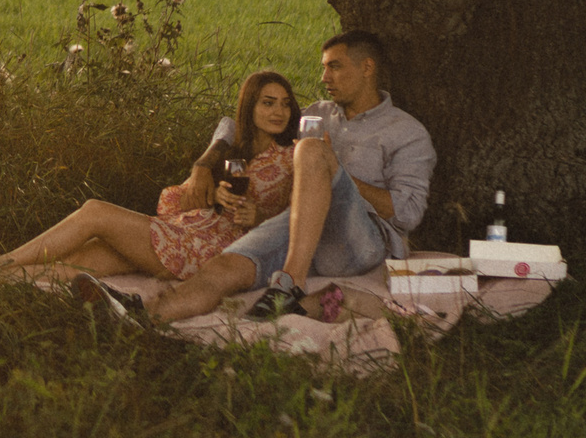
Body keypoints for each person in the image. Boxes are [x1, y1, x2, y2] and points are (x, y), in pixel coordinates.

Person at [150, 29, 436, 325]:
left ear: (366, 68)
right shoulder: (317, 113)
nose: (324, 77)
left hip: (360, 241)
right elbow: (237, 124)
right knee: (223, 268)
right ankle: (145, 316)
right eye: (324, 68)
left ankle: (289, 283)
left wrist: (332, 168)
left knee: (310, 150)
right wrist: (202, 166)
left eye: (334, 67)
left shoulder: (407, 133)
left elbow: (408, 214)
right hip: (300, 228)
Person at [0, 70, 303, 291]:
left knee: (95, 211)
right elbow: (175, 199)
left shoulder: (293, 156)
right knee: (79, 263)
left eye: (285, 104)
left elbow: (304, 217)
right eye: (268, 103)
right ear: (250, 106)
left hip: (212, 250)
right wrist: (211, 192)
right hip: (186, 230)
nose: (279, 112)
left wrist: (260, 218)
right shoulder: (233, 151)